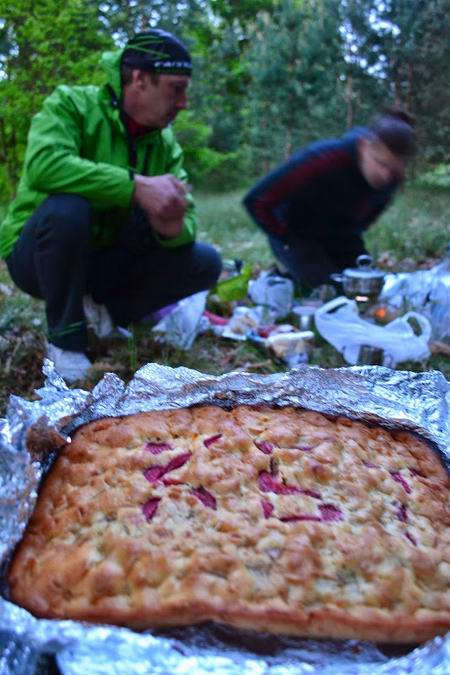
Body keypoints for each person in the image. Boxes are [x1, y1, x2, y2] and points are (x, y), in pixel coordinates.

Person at [0, 29, 222, 382]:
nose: (183, 103)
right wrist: (134, 187)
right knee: (68, 209)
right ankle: (66, 341)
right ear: (139, 79)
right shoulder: (71, 105)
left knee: (205, 263)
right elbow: (44, 165)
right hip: (38, 258)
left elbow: (188, 219)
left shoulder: (164, 144)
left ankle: (105, 313)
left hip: (106, 264)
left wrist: (174, 229)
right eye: (176, 89)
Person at [243, 109, 415, 293]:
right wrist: (283, 236)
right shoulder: (323, 159)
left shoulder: (393, 176)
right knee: (330, 291)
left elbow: (375, 208)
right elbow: (256, 200)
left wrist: (355, 230)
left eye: (393, 168)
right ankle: (284, 280)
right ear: (364, 146)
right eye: (381, 164)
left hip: (342, 234)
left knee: (368, 287)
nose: (385, 175)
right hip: (297, 232)